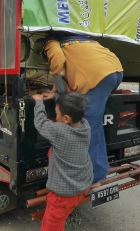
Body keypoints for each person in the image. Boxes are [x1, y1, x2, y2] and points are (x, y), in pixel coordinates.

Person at [40, 34, 123, 185]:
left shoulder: (51, 42)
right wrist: (55, 89)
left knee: (85, 128)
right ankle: (100, 171)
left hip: (99, 77)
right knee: (96, 125)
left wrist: (54, 73)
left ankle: (91, 179)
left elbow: (57, 60)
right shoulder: (79, 40)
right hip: (116, 71)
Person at [32, 91, 93, 231]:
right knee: (59, 219)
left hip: (64, 195)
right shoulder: (85, 126)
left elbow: (40, 123)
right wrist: (57, 97)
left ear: (66, 118)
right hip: (83, 184)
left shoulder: (60, 131)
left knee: (50, 226)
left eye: (56, 113)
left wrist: (39, 101)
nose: (55, 115)